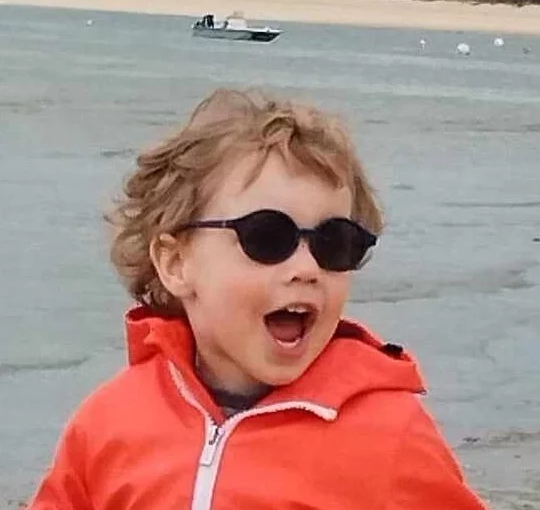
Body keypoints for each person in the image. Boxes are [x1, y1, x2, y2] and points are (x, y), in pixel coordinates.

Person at [29, 88, 489, 509]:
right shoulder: (111, 422)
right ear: (176, 263)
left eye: (334, 243)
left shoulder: (390, 437)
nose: (306, 268)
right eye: (267, 237)